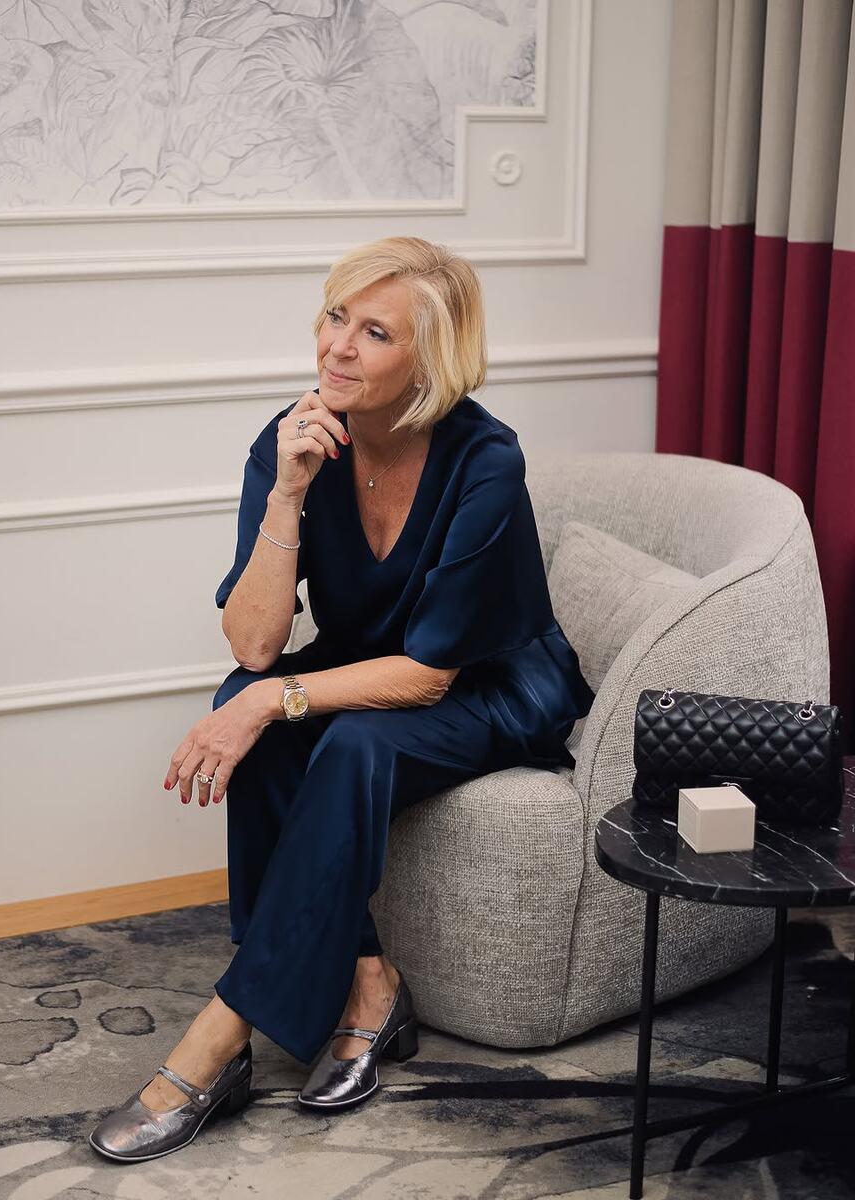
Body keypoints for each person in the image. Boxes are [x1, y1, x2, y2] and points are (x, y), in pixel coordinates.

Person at [89, 236, 595, 1163]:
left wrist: (266, 703)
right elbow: (254, 645)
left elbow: (431, 674)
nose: (338, 348)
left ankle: (220, 1037)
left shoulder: (486, 459)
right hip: (369, 666)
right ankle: (370, 985)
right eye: (335, 317)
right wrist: (286, 496)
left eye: (375, 332)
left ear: (429, 360)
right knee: (250, 697)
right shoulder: (294, 439)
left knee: (329, 732)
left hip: (493, 683)